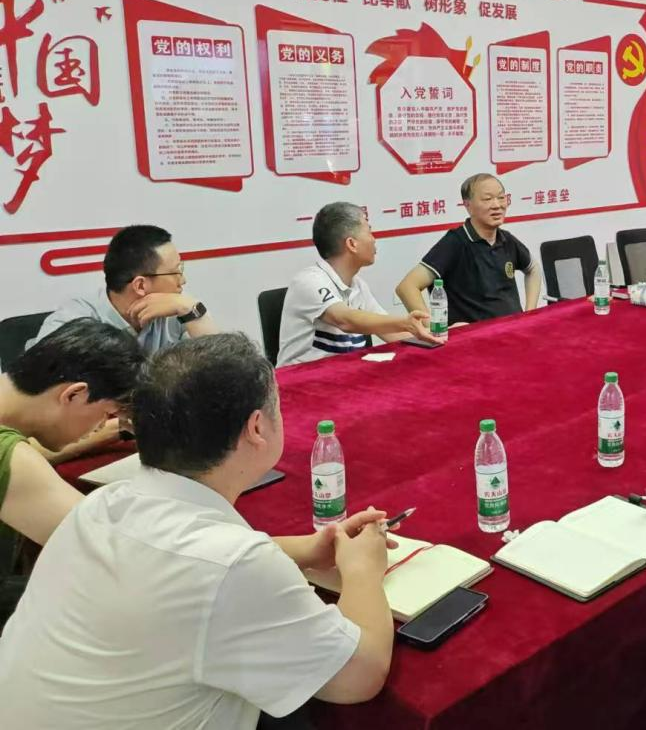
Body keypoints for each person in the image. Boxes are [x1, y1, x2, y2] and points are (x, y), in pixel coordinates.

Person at [0, 334, 395, 728]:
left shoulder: (103, 504)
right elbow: (359, 676)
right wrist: (362, 570)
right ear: (257, 428)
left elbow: (186, 561)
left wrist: (307, 549)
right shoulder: (234, 567)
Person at [0, 319, 144, 626]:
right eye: (107, 415)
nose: (101, 427)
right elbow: (117, 552)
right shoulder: (11, 457)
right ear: (74, 394)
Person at [278, 202, 435, 367]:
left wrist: (441, 334)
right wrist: (405, 322)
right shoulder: (308, 281)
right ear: (352, 244)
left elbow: (391, 333)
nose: (374, 239)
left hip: (343, 373)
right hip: (302, 377)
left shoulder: (358, 286)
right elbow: (344, 320)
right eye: (369, 231)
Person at [37, 224, 219, 353]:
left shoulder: (178, 308)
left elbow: (222, 370)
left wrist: (193, 311)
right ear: (140, 285)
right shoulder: (74, 322)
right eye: (176, 272)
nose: (183, 280)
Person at [396, 173, 541, 324]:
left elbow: (533, 269)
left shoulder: (506, 239)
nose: (497, 205)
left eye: (501, 197)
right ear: (468, 205)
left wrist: (529, 313)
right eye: (487, 199)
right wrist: (433, 328)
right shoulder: (455, 242)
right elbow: (407, 287)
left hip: (513, 330)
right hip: (477, 336)